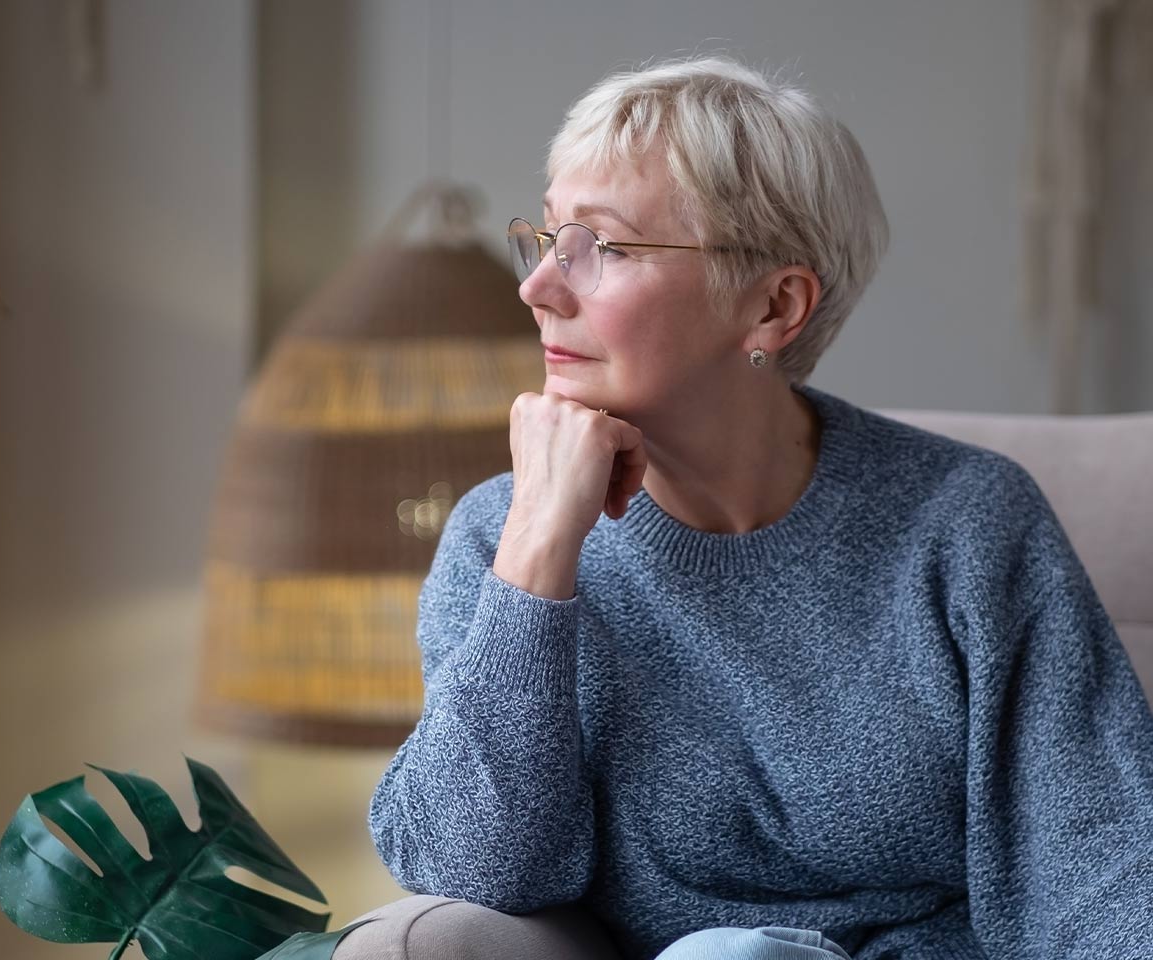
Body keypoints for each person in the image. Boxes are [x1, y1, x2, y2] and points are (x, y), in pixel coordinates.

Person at [335, 55, 1153, 960]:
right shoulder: (503, 535)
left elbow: (1105, 862)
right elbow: (472, 868)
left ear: (774, 305)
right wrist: (538, 550)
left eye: (601, 247)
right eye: (547, 238)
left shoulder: (966, 524)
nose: (537, 287)